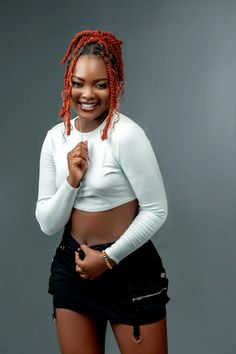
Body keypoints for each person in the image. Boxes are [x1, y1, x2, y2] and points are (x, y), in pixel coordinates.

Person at [35, 29, 170, 354]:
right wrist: (71, 181)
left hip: (129, 271)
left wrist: (108, 259)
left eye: (100, 84)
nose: (87, 94)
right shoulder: (55, 138)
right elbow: (48, 223)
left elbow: (156, 209)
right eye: (78, 82)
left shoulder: (127, 136)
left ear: (115, 85)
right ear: (68, 83)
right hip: (74, 267)